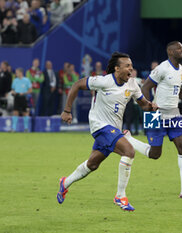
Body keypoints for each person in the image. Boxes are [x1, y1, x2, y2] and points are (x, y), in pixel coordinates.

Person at [57, 52, 157, 211]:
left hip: (114, 130)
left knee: (92, 164)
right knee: (129, 151)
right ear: (117, 69)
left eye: (131, 66)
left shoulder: (132, 84)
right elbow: (77, 85)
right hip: (99, 126)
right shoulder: (103, 81)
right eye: (127, 66)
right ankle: (120, 195)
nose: (131, 69)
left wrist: (151, 106)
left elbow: (143, 104)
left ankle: (65, 182)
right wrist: (67, 110)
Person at [124, 41, 182, 199]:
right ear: (171, 52)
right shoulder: (161, 68)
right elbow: (145, 87)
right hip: (155, 114)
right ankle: (129, 139)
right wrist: (147, 105)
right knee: (155, 154)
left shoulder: (181, 70)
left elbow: (178, 90)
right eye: (179, 49)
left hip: (174, 114)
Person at [11, 68, 32, 132]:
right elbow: (12, 89)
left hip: (24, 97)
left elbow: (30, 90)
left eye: (17, 72)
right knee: (15, 112)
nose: (16, 74)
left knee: (25, 113)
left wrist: (24, 93)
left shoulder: (26, 80)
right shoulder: (15, 80)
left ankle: (26, 128)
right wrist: (13, 92)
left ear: (21, 73)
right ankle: (14, 129)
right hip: (16, 97)